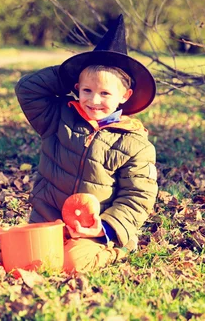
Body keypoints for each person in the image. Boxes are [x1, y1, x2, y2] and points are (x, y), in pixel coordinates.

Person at [12, 14, 159, 273]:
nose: (94, 100)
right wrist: (67, 75)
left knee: (72, 263)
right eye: (87, 90)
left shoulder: (135, 143)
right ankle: (51, 245)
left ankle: (118, 250)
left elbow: (138, 196)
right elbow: (28, 89)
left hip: (95, 230)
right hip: (49, 221)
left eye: (105, 93)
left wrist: (106, 228)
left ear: (124, 96)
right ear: (77, 87)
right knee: (9, 254)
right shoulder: (59, 117)